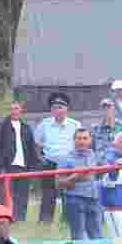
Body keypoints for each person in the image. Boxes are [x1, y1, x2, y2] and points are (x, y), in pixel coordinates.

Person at [34, 92, 80, 224]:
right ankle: (45, 222)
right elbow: (36, 144)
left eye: (61, 106)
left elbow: (82, 144)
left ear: (67, 109)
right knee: (48, 195)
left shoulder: (75, 125)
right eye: (55, 107)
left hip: (68, 164)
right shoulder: (44, 124)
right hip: (50, 163)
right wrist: (41, 158)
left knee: (69, 195)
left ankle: (67, 221)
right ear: (51, 110)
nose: (58, 110)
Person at [0, 99, 38, 221]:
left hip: (23, 166)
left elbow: (32, 147)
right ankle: (1, 218)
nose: (14, 111)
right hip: (7, 166)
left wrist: (33, 166)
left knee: (22, 195)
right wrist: (0, 166)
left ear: (21, 110)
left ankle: (19, 219)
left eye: (16, 108)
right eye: (11, 109)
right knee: (3, 195)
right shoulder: (1, 126)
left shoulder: (26, 127)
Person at [57, 128, 104, 240]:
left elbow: (102, 172)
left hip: (94, 199)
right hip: (75, 200)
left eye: (85, 138)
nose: (82, 141)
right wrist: (75, 177)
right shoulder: (66, 158)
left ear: (90, 140)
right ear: (74, 140)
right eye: (79, 138)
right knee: (78, 236)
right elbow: (58, 183)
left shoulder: (94, 155)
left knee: (97, 236)